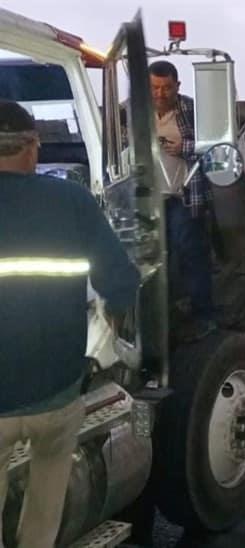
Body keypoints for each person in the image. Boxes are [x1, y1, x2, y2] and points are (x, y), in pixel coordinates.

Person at [0, 100, 140, 548]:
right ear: (32, 148)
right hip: (56, 392)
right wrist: (116, 326)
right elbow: (121, 280)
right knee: (46, 501)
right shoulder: (71, 200)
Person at [148, 60, 216, 340]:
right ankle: (159, 318)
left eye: (166, 88)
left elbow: (215, 145)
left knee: (190, 252)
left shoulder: (191, 110)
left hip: (183, 196)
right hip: (147, 198)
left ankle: (204, 315)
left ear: (177, 86)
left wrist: (184, 147)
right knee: (151, 258)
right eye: (154, 88)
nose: (160, 94)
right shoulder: (131, 112)